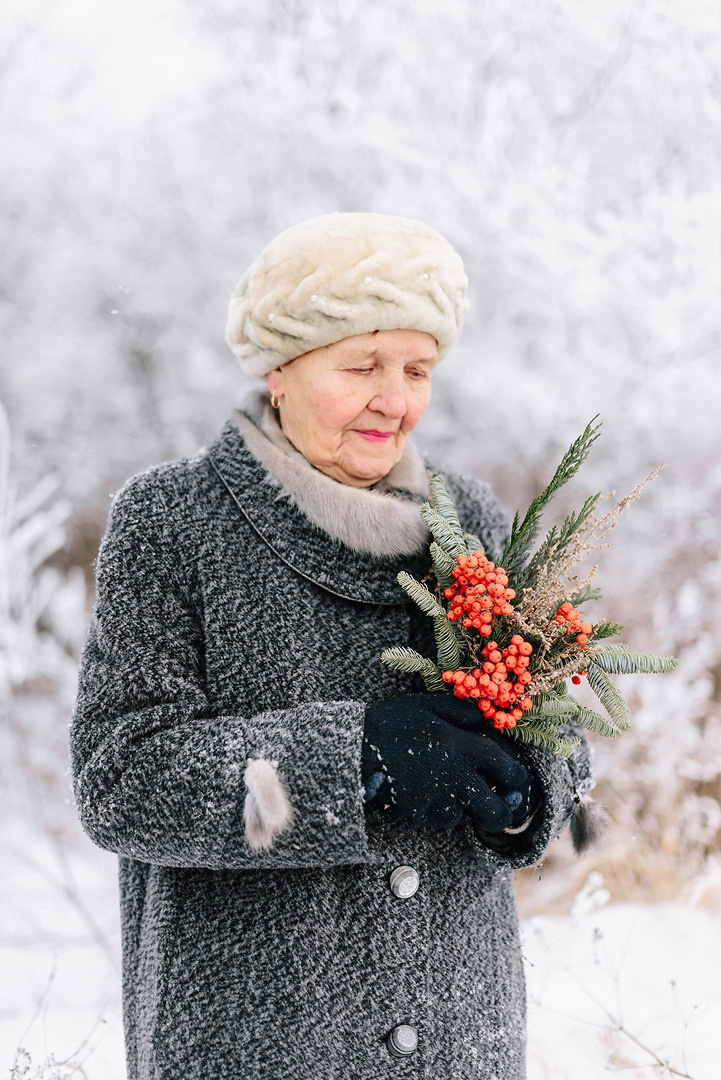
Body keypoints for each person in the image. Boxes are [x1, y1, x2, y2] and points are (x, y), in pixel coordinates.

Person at [70, 212, 593, 1079]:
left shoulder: (470, 523)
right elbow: (123, 780)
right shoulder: (173, 522)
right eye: (361, 367)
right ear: (280, 368)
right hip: (254, 1044)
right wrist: (359, 758)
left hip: (458, 1039)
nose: (396, 400)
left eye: (417, 369)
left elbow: (561, 737)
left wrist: (526, 793)